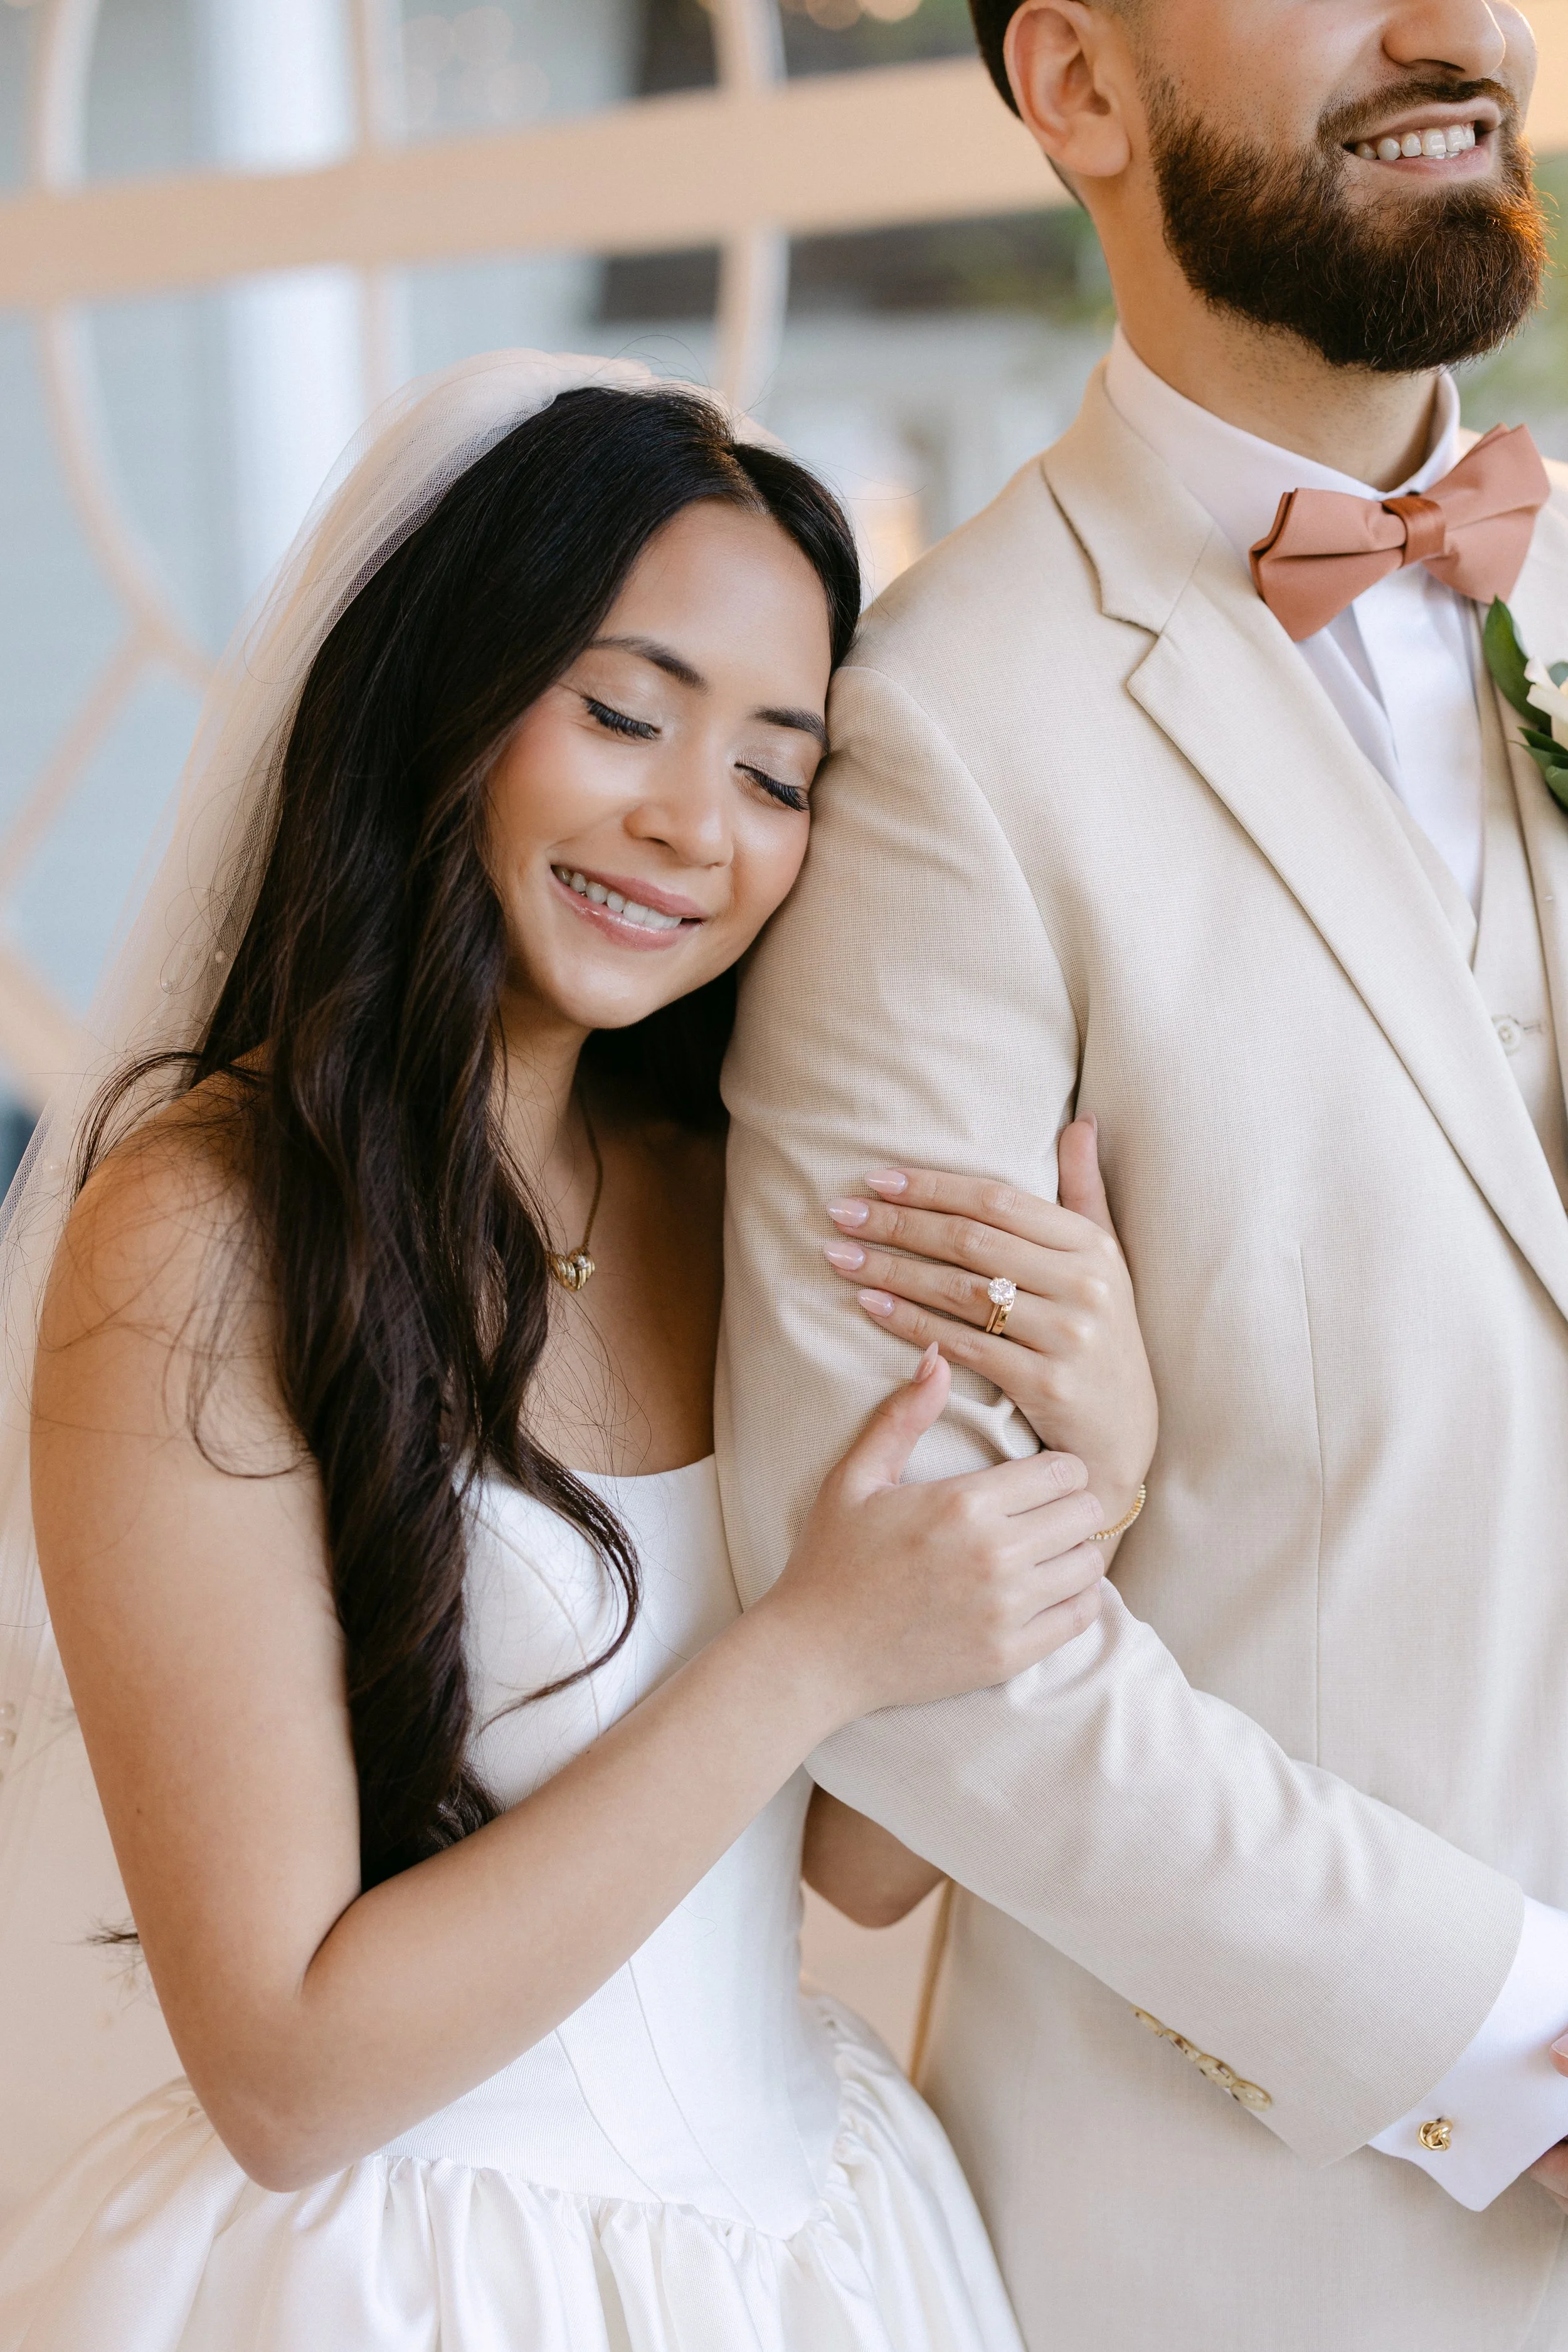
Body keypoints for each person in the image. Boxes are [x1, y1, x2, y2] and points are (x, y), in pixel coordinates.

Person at [0, 353, 1153, 2350]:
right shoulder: (204, 1228)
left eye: (778, 771)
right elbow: (287, 2073)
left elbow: (864, 1864)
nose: (691, 824)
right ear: (443, 694)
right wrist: (806, 1642)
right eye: (623, 711)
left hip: (809, 2255)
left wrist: (1095, 1474)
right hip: (396, 2272)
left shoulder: (733, 1188)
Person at [717, 3, 1568, 2348]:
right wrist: (1503, 2033)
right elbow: (910, 1652)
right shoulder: (937, 741)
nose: (1456, 26)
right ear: (1077, 87)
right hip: (1260, 2255)